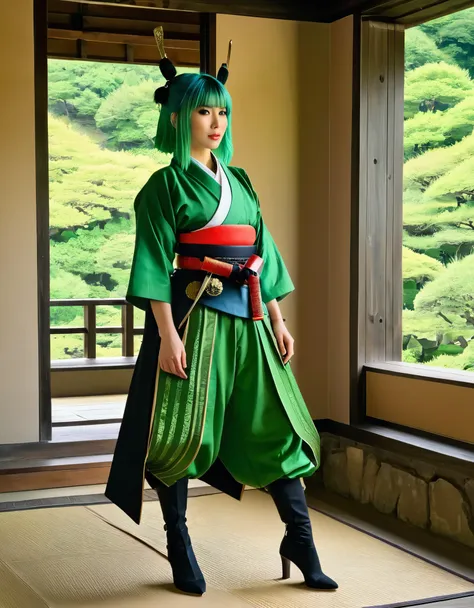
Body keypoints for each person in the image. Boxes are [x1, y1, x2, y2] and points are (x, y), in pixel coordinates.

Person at [105, 38, 337, 596]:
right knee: (181, 433)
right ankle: (179, 544)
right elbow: (155, 264)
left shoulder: (243, 181)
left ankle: (300, 541)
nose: (216, 122)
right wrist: (165, 336)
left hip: (252, 317)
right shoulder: (163, 186)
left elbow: (264, 252)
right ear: (179, 116)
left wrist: (278, 319)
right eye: (204, 110)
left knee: (277, 425)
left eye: (222, 111)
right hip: (193, 318)